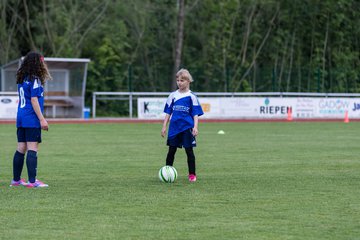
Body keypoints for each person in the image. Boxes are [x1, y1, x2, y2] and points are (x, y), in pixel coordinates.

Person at [10, 51, 51, 188]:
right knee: (33, 148)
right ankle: (33, 182)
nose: (43, 64)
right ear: (37, 63)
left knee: (21, 148)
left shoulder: (22, 77)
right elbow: (34, 100)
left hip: (21, 116)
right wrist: (42, 119)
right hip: (31, 117)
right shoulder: (35, 79)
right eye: (42, 61)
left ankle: (16, 180)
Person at [161, 68, 204, 182]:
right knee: (171, 150)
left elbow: (195, 114)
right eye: (178, 80)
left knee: (189, 151)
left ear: (188, 81)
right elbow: (168, 112)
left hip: (187, 128)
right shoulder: (172, 95)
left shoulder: (192, 96)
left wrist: (195, 127)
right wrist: (164, 126)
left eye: (182, 80)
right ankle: (167, 172)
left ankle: (192, 174)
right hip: (174, 128)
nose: (179, 83)